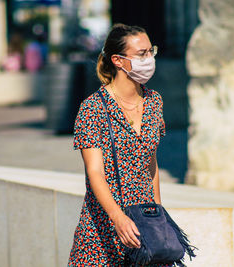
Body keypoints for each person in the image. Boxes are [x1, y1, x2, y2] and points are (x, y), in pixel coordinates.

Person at [68, 24, 183, 266]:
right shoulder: (93, 108)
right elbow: (95, 172)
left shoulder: (154, 102)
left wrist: (159, 214)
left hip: (146, 225)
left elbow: (151, 163)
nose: (149, 59)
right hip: (105, 227)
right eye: (141, 54)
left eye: (151, 51)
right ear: (118, 61)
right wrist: (117, 218)